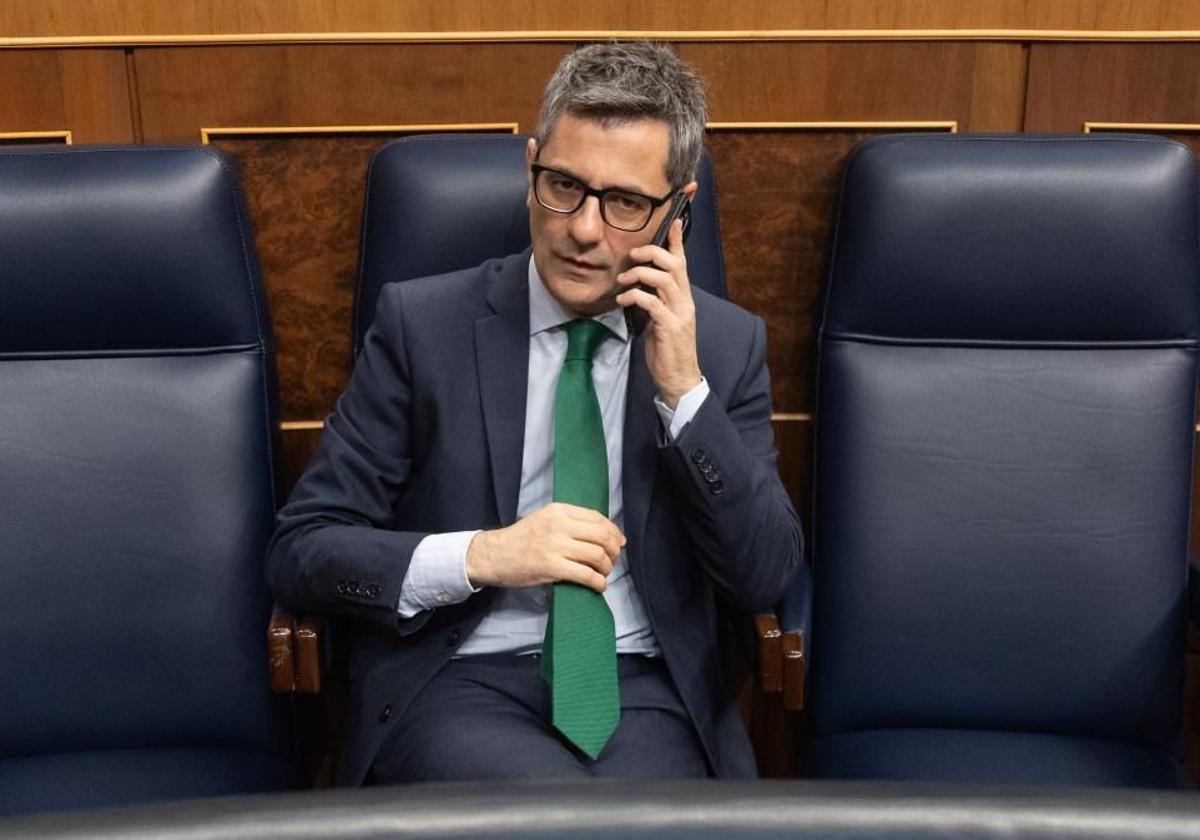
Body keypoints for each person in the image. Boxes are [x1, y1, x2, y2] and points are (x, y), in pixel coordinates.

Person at [266, 40, 804, 785]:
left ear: (678, 210)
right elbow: (303, 550)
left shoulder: (723, 344)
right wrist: (481, 555)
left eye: (623, 203)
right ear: (529, 170)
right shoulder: (424, 328)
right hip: (458, 680)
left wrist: (685, 396)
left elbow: (765, 575)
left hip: (649, 693)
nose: (583, 229)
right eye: (563, 186)